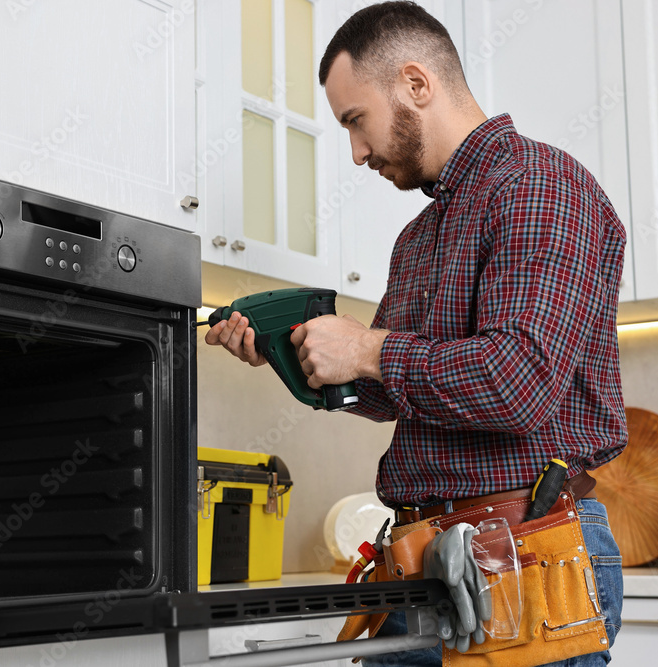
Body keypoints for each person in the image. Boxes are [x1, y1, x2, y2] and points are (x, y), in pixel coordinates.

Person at [205, 2, 627, 665]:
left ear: (415, 83)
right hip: (420, 560)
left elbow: (516, 382)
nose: (356, 151)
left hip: (522, 557)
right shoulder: (420, 236)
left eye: (355, 121)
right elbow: (389, 389)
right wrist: (290, 356)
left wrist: (366, 347)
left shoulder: (541, 187)